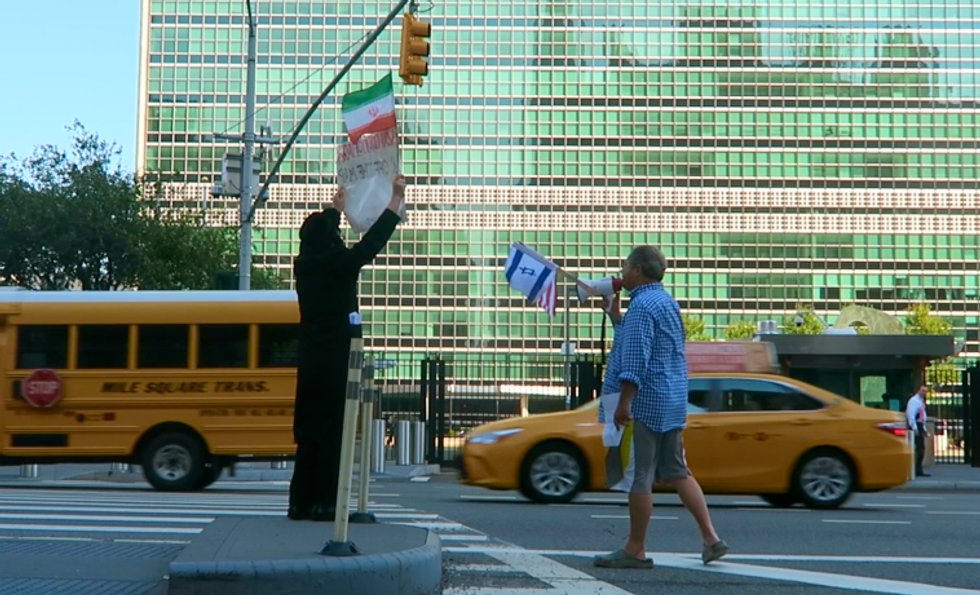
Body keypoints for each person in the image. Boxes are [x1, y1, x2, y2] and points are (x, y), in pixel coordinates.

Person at [594, 246, 728, 569]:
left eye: (625, 267)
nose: (622, 272)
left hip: (644, 403)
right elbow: (649, 346)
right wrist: (614, 316)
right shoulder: (667, 302)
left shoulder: (641, 306)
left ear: (638, 270)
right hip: (670, 400)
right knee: (678, 470)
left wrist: (625, 401)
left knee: (639, 474)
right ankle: (711, 538)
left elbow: (636, 357)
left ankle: (635, 549)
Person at [287, 175, 406, 521]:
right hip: (337, 357)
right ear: (330, 243)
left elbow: (321, 233)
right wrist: (394, 201)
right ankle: (326, 503)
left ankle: (300, 503)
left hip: (309, 359)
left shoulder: (306, 267)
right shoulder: (337, 266)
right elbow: (371, 244)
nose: (341, 240)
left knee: (309, 434)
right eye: (337, 236)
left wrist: (334, 209)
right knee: (333, 433)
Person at [906, 384, 930, 478]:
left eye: (925, 391)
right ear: (918, 390)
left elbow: (922, 416)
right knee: (919, 449)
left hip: (920, 425)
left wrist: (924, 429)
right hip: (916, 425)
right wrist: (914, 427)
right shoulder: (914, 401)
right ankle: (916, 469)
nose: (924, 393)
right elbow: (911, 415)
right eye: (923, 390)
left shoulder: (921, 401)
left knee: (921, 449)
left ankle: (918, 469)